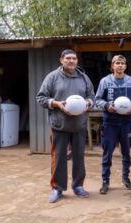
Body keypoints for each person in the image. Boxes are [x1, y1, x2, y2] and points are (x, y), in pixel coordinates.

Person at [36, 49, 95, 203]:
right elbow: (41, 98)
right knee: (59, 157)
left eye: (74, 58)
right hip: (59, 125)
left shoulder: (83, 77)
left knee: (79, 158)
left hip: (79, 125)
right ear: (61, 60)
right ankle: (57, 188)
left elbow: (92, 97)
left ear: (77, 61)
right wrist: (56, 104)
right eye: (68, 58)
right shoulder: (52, 77)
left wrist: (87, 103)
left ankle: (78, 186)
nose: (71, 61)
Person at [95, 55, 131, 194]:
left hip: (126, 123)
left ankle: (126, 178)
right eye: (117, 63)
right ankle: (105, 181)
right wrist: (107, 105)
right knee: (107, 153)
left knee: (126, 152)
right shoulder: (105, 81)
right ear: (112, 66)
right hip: (110, 123)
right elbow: (97, 99)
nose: (120, 65)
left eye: (122, 63)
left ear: (125, 66)